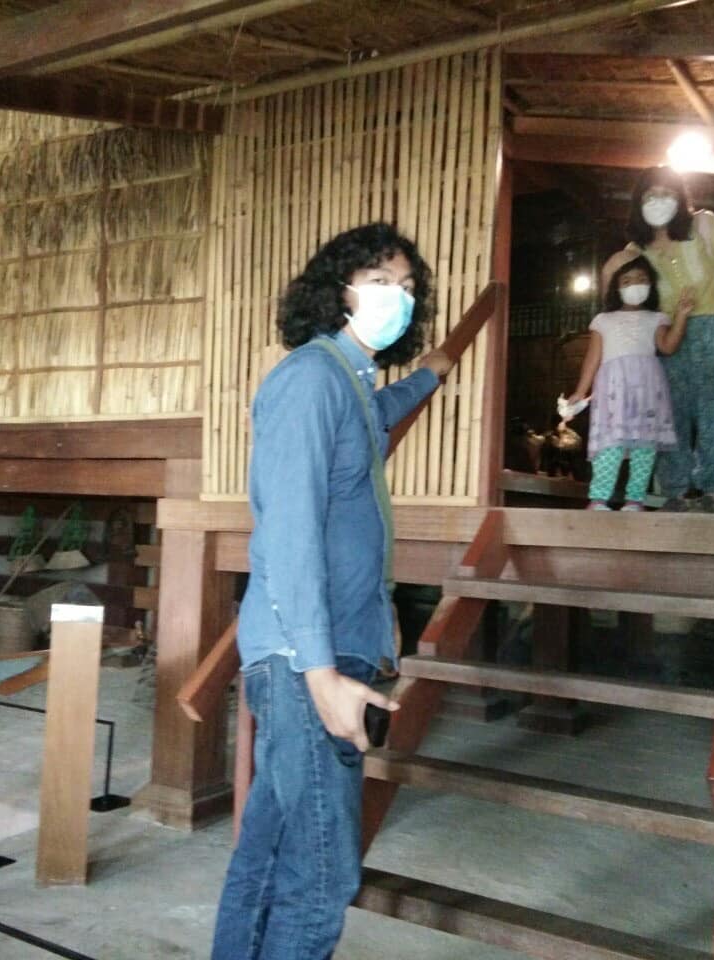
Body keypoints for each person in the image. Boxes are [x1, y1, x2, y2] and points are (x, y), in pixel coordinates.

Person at [211, 223, 453, 960]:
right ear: (337, 289)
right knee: (321, 877)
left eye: (406, 288)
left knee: (269, 855)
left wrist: (431, 374)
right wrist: (321, 674)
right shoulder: (311, 379)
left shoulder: (350, 384)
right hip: (304, 660)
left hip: (325, 649)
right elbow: (287, 535)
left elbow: (379, 413)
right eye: (380, 281)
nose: (397, 298)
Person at [601, 166, 714, 512]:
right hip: (665, 336)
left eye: (667, 193)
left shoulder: (705, 225)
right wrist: (611, 268)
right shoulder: (634, 252)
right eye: (650, 195)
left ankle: (712, 491)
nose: (659, 201)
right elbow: (614, 298)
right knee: (668, 414)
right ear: (638, 203)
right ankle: (675, 491)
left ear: (681, 198)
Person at [562, 255, 691, 511]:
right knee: (610, 443)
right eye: (627, 281)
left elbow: (668, 346)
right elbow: (592, 358)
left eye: (642, 279)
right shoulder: (603, 320)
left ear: (651, 285)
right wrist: (580, 391)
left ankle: (635, 500)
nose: (635, 285)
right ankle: (599, 499)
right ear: (616, 288)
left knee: (645, 445)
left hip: (647, 390)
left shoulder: (657, 318)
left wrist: (682, 317)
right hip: (613, 389)